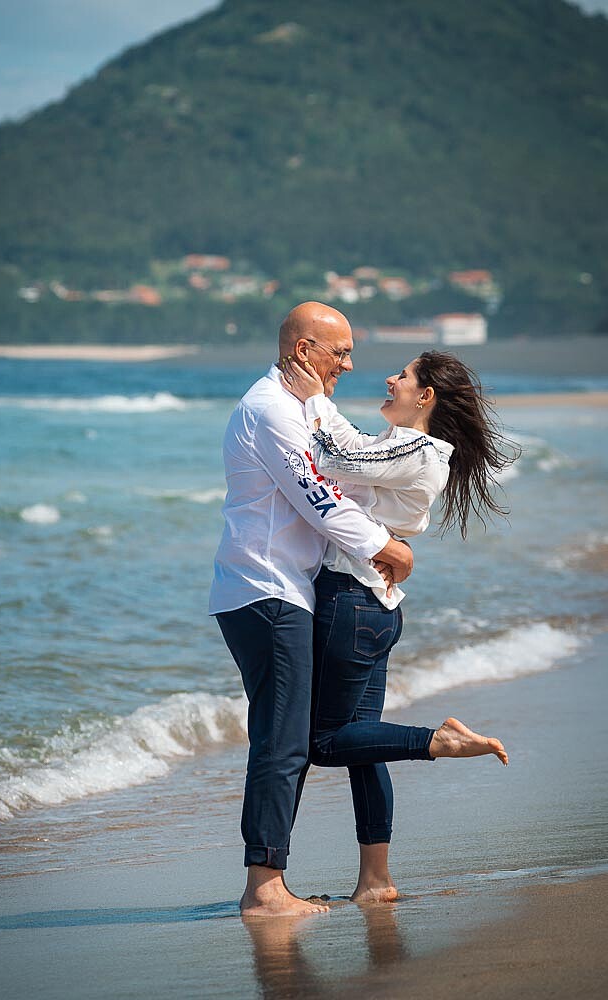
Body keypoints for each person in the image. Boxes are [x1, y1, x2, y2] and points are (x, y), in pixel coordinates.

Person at [281, 351, 516, 903]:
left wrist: (310, 399)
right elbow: (353, 445)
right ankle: (376, 881)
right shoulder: (404, 446)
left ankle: (439, 741)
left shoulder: (420, 450)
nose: (391, 379)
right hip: (372, 608)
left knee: (323, 742)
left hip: (351, 603)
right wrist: (321, 397)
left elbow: (331, 457)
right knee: (363, 747)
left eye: (404, 376)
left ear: (426, 395)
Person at [209, 302, 415, 918]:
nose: (348, 365)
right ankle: (263, 888)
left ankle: (270, 880)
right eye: (340, 352)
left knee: (292, 739)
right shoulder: (270, 409)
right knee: (282, 741)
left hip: (287, 589)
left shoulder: (303, 403)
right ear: (304, 350)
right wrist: (385, 547)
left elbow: (348, 456)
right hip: (266, 590)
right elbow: (317, 497)